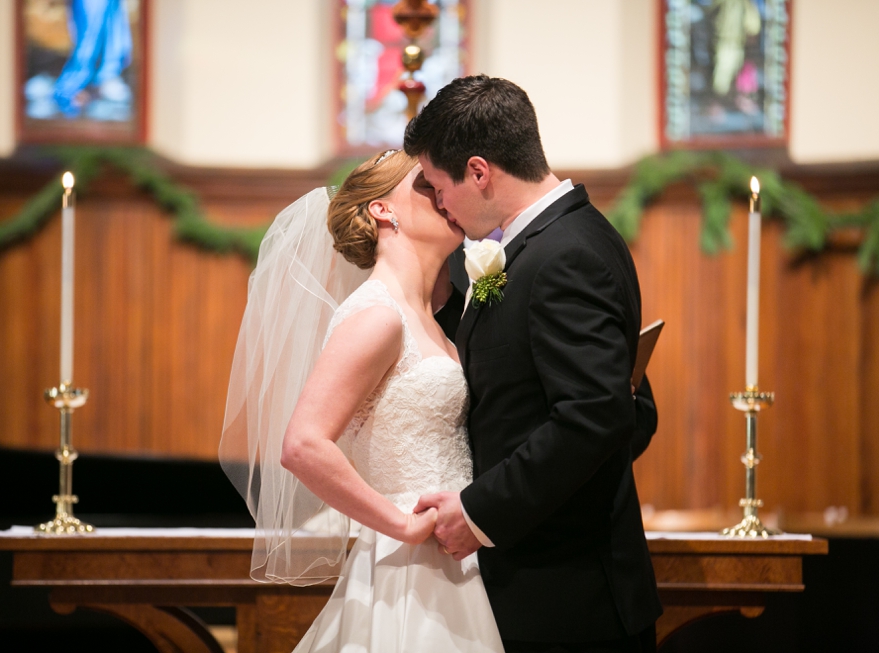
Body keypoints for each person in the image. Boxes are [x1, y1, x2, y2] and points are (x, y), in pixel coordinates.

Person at [405, 75, 662, 653]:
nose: (439, 202)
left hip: (570, 601)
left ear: (479, 171)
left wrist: (478, 511)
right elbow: (628, 408)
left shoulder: (563, 255)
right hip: (551, 584)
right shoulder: (559, 239)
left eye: (440, 185)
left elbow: (596, 415)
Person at [220, 149, 504, 652]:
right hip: (412, 564)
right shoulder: (378, 316)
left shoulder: (435, 323)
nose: (443, 194)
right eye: (425, 185)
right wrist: (400, 523)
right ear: (381, 210)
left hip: (458, 556)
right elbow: (303, 444)